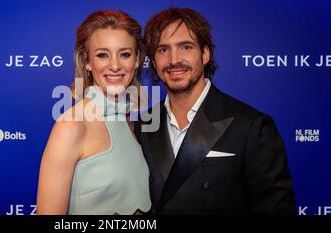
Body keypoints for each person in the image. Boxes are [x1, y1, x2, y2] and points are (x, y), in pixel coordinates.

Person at [135, 8, 295, 214]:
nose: (174, 59)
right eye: (163, 49)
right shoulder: (143, 124)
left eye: (185, 47)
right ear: (154, 60)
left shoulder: (251, 127)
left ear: (205, 54)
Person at [36, 10, 151, 215]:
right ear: (87, 61)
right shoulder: (72, 125)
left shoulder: (130, 121)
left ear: (137, 60)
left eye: (125, 54)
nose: (115, 65)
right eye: (102, 55)